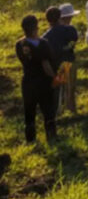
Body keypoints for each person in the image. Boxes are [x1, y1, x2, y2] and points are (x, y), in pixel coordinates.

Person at [16, 15, 57, 143]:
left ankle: (31, 139)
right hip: (43, 82)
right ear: (35, 28)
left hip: (28, 81)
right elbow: (46, 65)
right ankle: (51, 137)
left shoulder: (19, 44)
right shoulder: (43, 44)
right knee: (48, 110)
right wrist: (55, 77)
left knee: (29, 111)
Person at [42, 5, 79, 116]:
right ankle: (72, 111)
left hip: (55, 65)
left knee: (57, 89)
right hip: (69, 63)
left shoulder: (46, 36)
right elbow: (74, 40)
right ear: (59, 17)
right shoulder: (70, 30)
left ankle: (57, 112)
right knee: (70, 88)